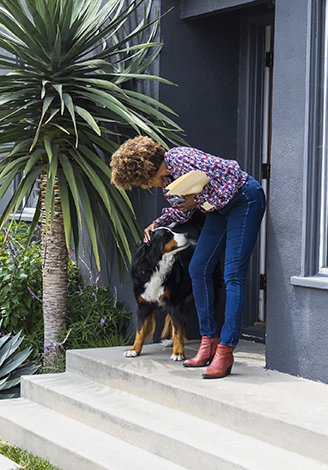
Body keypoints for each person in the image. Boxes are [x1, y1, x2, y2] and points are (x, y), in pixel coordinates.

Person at [110, 136, 266, 379]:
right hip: (218, 209)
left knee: (232, 274)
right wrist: (157, 223)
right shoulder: (168, 183)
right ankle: (209, 342)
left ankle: (225, 351)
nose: (144, 186)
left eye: (141, 182)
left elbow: (230, 175)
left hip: (244, 198)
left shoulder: (180, 158)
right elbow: (182, 210)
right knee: (198, 267)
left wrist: (198, 199)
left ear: (146, 168)